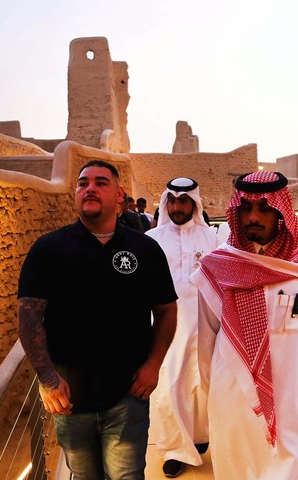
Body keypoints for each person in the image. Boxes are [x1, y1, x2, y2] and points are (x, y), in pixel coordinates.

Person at [17, 160, 178, 480]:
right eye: (82, 183)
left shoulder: (144, 249)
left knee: (127, 475)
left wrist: (153, 365)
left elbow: (166, 311)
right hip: (68, 397)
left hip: (128, 393)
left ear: (119, 195)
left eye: (100, 182)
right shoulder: (49, 249)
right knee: (83, 475)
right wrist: (48, 379)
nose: (89, 187)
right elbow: (29, 317)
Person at [191, 170, 298, 479]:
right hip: (233, 399)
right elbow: (205, 343)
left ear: (281, 212)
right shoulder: (216, 267)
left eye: (264, 208)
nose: (253, 217)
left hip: (292, 399)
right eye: (245, 208)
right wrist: (206, 399)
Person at [145, 178, 219, 478]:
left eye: (184, 200)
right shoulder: (151, 238)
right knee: (169, 387)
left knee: (204, 386)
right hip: (166, 331)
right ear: (166, 203)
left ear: (195, 204)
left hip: (205, 328)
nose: (177, 206)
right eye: (172, 200)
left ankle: (201, 438)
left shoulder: (213, 239)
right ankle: (174, 450)